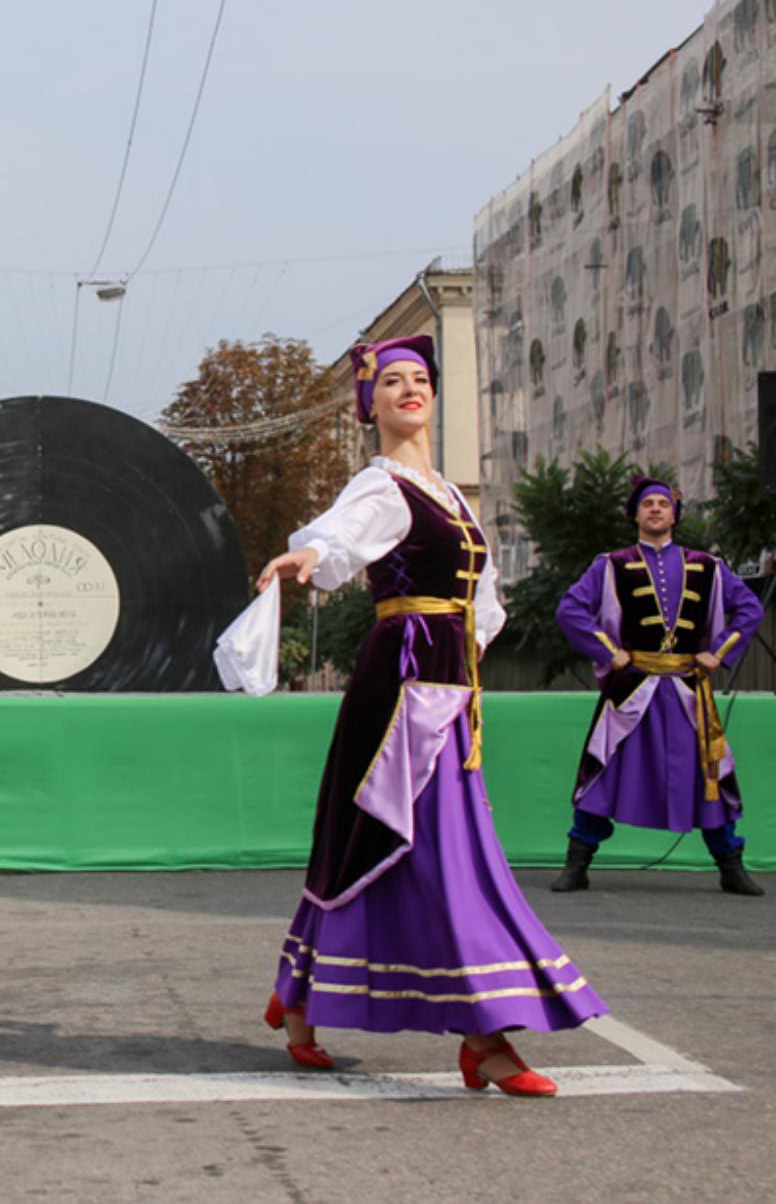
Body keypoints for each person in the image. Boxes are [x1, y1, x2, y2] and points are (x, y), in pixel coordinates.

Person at [255, 335, 605, 1097]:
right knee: (435, 853)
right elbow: (340, 537)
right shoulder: (381, 486)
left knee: (373, 845)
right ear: (370, 403)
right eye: (393, 381)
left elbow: (483, 604)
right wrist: (308, 557)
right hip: (405, 684)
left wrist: (467, 644)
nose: (410, 389)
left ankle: (300, 990)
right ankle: (486, 1038)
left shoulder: (452, 496)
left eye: (420, 379)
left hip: (450, 684)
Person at [550, 476, 765, 896]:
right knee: (605, 772)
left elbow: (749, 608)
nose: (655, 509)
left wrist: (718, 652)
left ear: (674, 514)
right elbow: (570, 610)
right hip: (631, 690)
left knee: (710, 776)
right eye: (647, 503)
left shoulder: (707, 566)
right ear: (634, 513)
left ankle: (730, 865)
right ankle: (576, 864)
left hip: (687, 691)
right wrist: (609, 651)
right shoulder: (610, 564)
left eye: (662, 504)